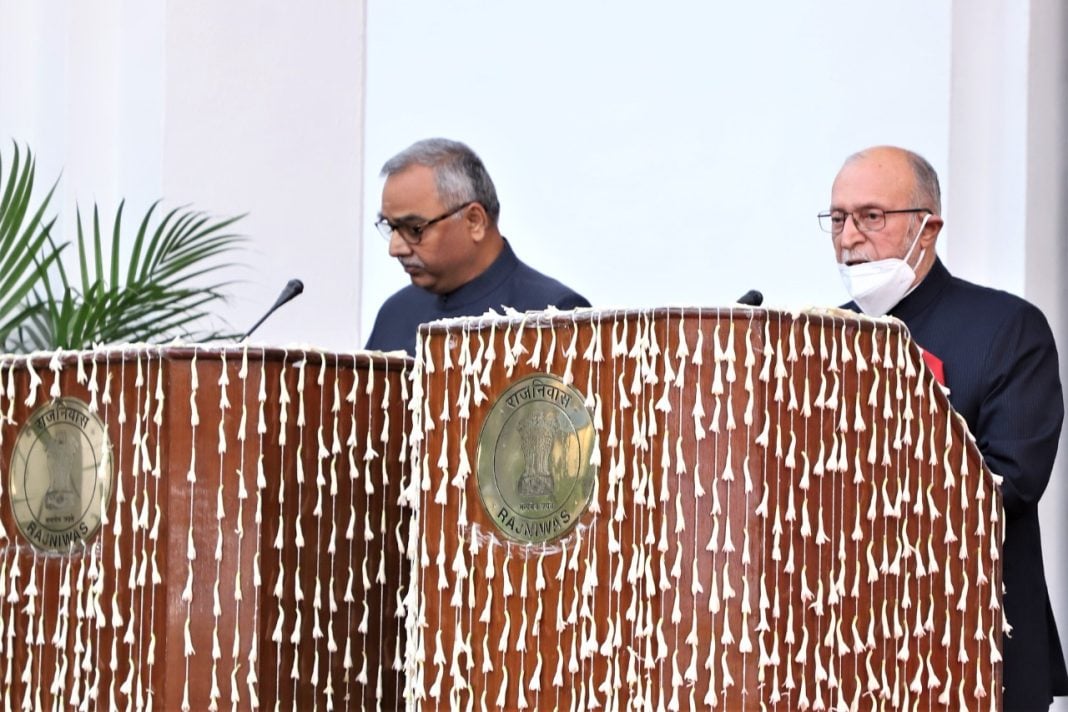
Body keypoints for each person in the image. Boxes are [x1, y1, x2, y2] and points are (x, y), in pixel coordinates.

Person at [821, 145, 1068, 709]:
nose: (849, 236)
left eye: (871, 216)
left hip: (968, 642)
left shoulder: (1007, 328)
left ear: (926, 228)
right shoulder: (826, 339)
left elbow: (1012, 480)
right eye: (837, 219)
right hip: (846, 652)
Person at [365, 138, 590, 356]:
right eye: (390, 227)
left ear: (474, 221)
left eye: (414, 229)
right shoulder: (395, 313)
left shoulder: (553, 314)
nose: (395, 249)